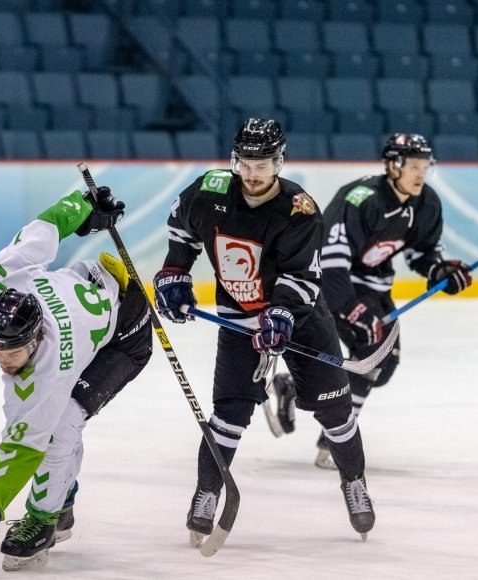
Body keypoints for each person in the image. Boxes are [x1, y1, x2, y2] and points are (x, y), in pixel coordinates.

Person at [152, 118, 376, 542]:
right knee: (229, 413)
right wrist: (175, 272)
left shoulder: (299, 209)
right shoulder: (211, 190)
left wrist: (281, 314)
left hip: (302, 318)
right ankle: (206, 490)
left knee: (334, 410)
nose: (252, 174)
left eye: (263, 164)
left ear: (279, 162)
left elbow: (304, 277)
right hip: (238, 316)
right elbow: (182, 228)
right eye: (245, 163)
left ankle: (354, 482)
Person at [0, 187, 153, 572]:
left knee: (63, 424)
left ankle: (45, 520)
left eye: (15, 353)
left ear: (36, 337)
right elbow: (46, 225)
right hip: (98, 286)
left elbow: (25, 443)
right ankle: (64, 497)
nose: (6, 362)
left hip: (126, 334)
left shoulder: (51, 365)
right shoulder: (0, 279)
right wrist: (84, 207)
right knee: (58, 423)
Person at [272, 133, 474, 469]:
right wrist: (348, 306)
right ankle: (335, 440)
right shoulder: (361, 198)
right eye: (412, 166)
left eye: (424, 166)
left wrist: (440, 271)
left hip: (374, 289)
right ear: (393, 166)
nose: (420, 173)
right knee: (371, 354)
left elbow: (423, 253)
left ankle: (294, 386)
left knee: (384, 365)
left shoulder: (426, 203)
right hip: (331, 285)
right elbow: (330, 260)